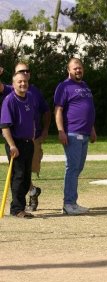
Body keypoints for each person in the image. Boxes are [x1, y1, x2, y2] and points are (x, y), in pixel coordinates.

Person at [54, 58, 97, 215]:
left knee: (78, 168)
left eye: (80, 68)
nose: (78, 70)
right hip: (72, 132)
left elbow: (88, 109)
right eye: (75, 68)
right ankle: (68, 203)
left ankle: (72, 201)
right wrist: (60, 131)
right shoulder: (64, 86)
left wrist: (92, 129)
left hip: (85, 133)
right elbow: (58, 110)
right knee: (72, 168)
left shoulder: (85, 86)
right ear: (68, 70)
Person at [15, 63, 51, 211]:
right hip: (15, 138)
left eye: (26, 71)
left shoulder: (35, 92)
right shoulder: (12, 90)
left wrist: (45, 130)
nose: (24, 73)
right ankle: (30, 195)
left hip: (33, 138)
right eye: (20, 71)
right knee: (20, 172)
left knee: (26, 171)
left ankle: (30, 195)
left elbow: (46, 111)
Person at [0, 72, 35, 218]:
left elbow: (32, 118)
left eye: (25, 81)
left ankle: (21, 206)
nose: (23, 84)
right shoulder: (9, 100)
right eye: (19, 82)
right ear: (13, 84)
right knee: (18, 176)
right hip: (15, 144)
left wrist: (32, 135)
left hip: (28, 143)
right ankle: (17, 209)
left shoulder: (30, 98)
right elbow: (5, 127)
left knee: (26, 177)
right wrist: (12, 145)